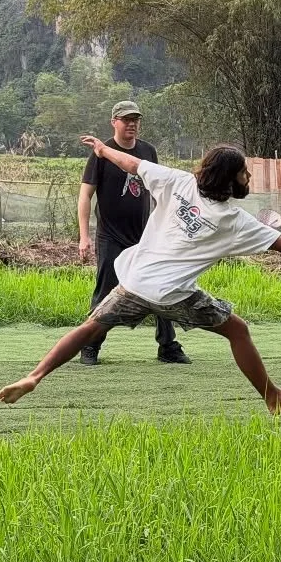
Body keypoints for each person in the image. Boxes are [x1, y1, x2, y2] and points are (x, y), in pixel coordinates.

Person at [0, 138, 281, 414]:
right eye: (244, 171)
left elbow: (131, 164)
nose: (249, 175)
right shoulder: (233, 221)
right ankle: (273, 398)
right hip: (174, 294)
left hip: (136, 280)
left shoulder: (177, 182)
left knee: (90, 327)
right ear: (230, 180)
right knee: (237, 330)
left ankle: (35, 375)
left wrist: (102, 149)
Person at [76, 100, 188, 366]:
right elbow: (85, 195)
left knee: (160, 287)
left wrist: (167, 227)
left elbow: (160, 190)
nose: (132, 124)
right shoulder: (101, 153)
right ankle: (90, 346)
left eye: (135, 119)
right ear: (114, 122)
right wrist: (84, 236)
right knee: (105, 292)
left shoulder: (148, 151)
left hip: (145, 237)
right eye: (126, 119)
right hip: (111, 236)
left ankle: (168, 347)